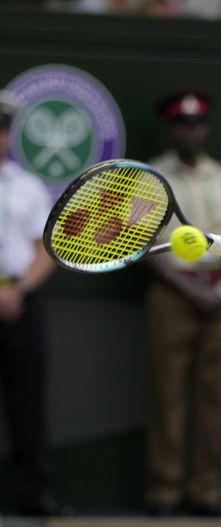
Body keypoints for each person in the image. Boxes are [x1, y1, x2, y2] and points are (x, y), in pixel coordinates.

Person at [143, 88, 221, 517]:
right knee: (167, 394)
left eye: (195, 124)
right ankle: (164, 490)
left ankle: (206, 490)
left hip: (220, 292)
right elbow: (142, 247)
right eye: (180, 124)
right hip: (173, 293)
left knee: (214, 396)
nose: (189, 131)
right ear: (169, 129)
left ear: (205, 128)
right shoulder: (151, 176)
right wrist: (191, 289)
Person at [0, 92, 61, 516]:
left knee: (28, 401)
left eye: (3, 130)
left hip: (20, 302)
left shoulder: (27, 185)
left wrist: (17, 291)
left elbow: (46, 248)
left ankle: (34, 496)